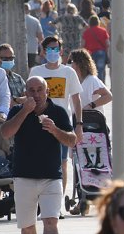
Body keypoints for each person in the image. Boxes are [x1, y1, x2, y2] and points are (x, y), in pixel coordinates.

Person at [1, 77, 76, 234]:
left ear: (47, 91)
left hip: (51, 176)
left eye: (39, 90)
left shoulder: (58, 112)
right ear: (26, 92)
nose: (35, 94)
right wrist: (25, 111)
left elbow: (72, 140)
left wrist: (54, 130)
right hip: (23, 176)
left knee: (50, 221)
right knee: (27, 224)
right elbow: (6, 132)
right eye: (31, 90)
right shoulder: (18, 111)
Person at [31, 36, 84, 196]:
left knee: (62, 162)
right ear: (43, 51)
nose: (53, 52)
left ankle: (58, 200)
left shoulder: (68, 72)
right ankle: (42, 197)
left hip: (62, 123)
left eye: (56, 49)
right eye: (49, 49)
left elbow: (76, 100)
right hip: (38, 122)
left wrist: (79, 124)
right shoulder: (36, 71)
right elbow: (29, 95)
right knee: (39, 160)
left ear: (61, 51)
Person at [82, 15, 110, 82]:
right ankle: (101, 86)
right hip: (101, 53)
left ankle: (94, 86)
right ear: (98, 22)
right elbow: (108, 44)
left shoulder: (86, 32)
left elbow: (82, 44)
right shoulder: (103, 31)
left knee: (91, 71)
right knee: (101, 71)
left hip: (90, 54)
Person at [24, 3, 44, 69]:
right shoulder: (35, 21)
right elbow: (40, 37)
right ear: (29, 10)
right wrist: (42, 49)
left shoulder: (15, 20)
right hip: (32, 48)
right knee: (30, 67)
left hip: (19, 47)